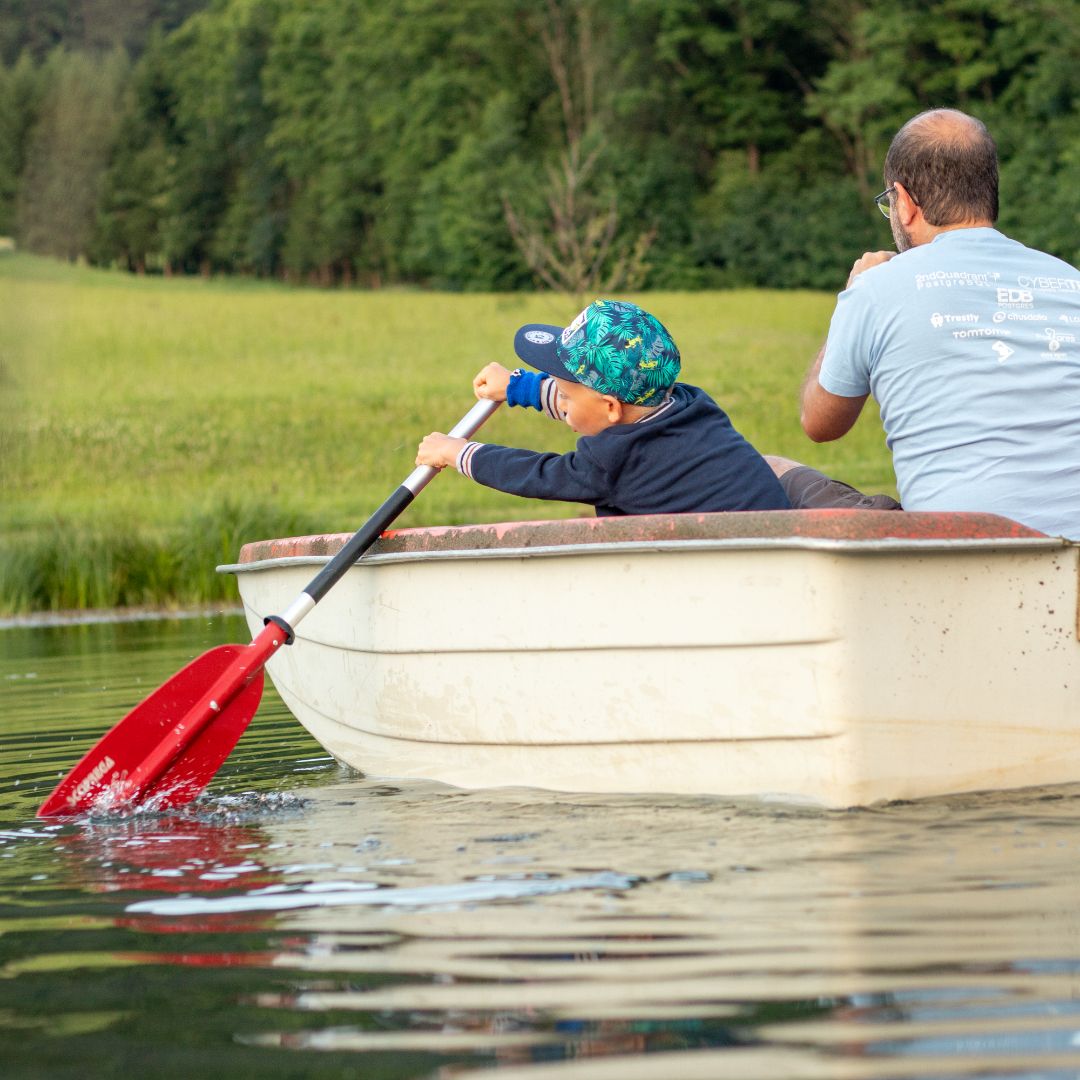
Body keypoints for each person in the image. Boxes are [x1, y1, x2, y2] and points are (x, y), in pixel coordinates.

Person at [774, 107, 1080, 538]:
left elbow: (820, 423)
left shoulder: (876, 289)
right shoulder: (1070, 282)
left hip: (953, 554)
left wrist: (851, 296)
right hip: (1073, 555)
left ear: (906, 201)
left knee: (774, 471)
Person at [415, 298, 790, 517]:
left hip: (734, 568)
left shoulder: (614, 462)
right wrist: (518, 386)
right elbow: (587, 402)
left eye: (563, 394)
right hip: (771, 527)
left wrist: (457, 451)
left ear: (611, 407)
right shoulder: (689, 404)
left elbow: (538, 474)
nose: (560, 402)